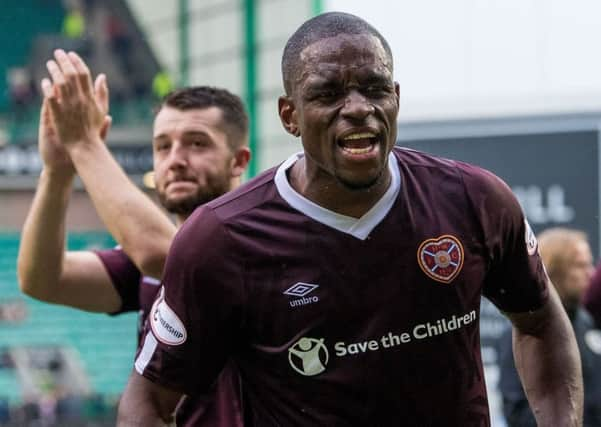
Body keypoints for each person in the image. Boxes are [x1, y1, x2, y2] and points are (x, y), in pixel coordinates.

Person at [117, 12, 583, 426]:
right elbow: (148, 401)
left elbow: (540, 322)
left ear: (396, 98)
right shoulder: (221, 240)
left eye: (375, 87)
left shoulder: (473, 199)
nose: (359, 108)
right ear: (289, 116)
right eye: (328, 92)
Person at [17, 50, 251, 425]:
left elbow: (170, 257)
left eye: (196, 143)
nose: (175, 158)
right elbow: (43, 279)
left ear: (239, 161)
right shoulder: (146, 260)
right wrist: (58, 171)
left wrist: (85, 144)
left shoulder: (252, 237)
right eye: (163, 146)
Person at [498, 227, 601, 426]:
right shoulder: (523, 331)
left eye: (590, 264)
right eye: (580, 266)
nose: (590, 274)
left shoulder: (589, 323)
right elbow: (516, 412)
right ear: (554, 270)